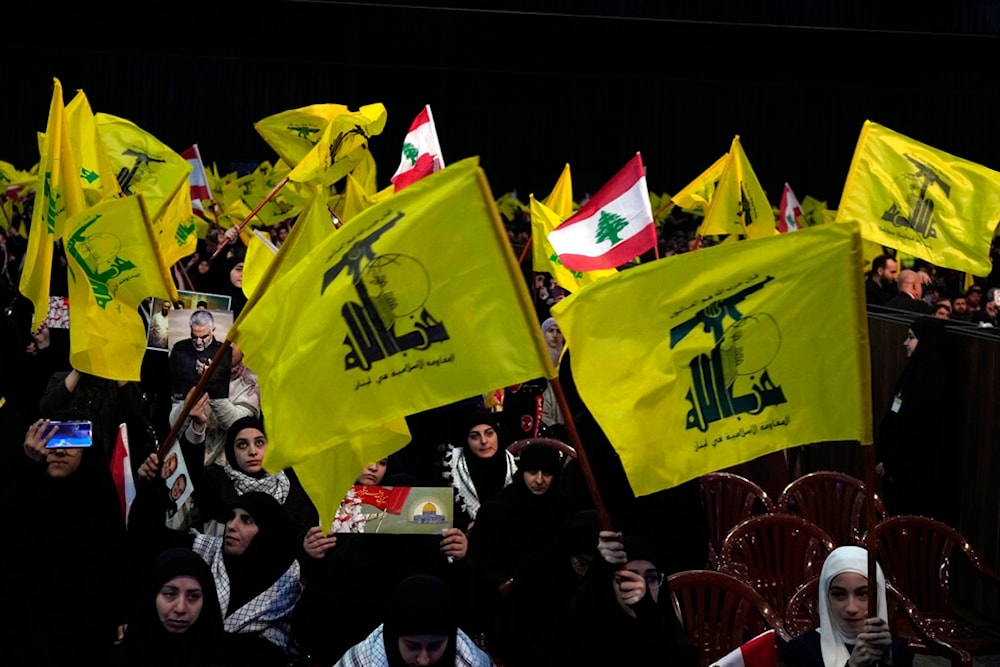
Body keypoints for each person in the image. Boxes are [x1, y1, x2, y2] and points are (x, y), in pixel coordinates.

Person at [128, 481, 302, 667]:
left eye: (247, 520)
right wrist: (151, 484)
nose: (232, 526)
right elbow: (145, 537)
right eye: (231, 517)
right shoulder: (208, 549)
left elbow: (273, 650)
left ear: (268, 530)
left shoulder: (287, 583)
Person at [4, 418, 130, 666]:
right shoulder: (25, 493)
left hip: (88, 640)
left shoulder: (99, 501)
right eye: (51, 439)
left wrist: (121, 612)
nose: (60, 448)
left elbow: (117, 559)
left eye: (72, 439)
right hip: (28, 636)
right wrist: (30, 467)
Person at [554, 532, 698, 666]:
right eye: (628, 578)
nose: (640, 589)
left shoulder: (666, 630)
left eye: (651, 578)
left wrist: (648, 614)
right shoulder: (591, 639)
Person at [876, 316, 959, 523]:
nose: (906, 343)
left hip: (915, 478)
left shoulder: (932, 384)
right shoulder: (912, 374)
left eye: (911, 338)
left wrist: (890, 463)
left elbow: (915, 431)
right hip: (896, 473)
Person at [781, 545, 914, 667]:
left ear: (878, 597)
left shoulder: (897, 651)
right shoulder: (801, 651)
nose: (851, 608)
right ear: (825, 598)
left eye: (862, 594)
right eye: (839, 595)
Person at [333, 574, 493, 667]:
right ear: (393, 637)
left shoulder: (472, 661)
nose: (423, 661)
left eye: (435, 646)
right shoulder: (362, 660)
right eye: (412, 646)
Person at [107, 547, 227, 667]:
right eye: (170, 594)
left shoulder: (221, 660)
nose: (180, 609)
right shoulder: (122, 659)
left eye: (193, 596)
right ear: (152, 596)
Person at [441, 411, 517, 533]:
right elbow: (436, 516)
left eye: (489, 434)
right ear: (466, 440)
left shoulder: (515, 468)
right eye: (475, 436)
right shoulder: (450, 468)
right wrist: (464, 526)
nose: (484, 441)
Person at [168, 309, 230, 401]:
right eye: (194, 336)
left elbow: (226, 392)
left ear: (213, 330)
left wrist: (210, 377)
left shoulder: (225, 352)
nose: (198, 342)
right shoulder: (179, 349)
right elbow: (170, 383)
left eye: (204, 337)